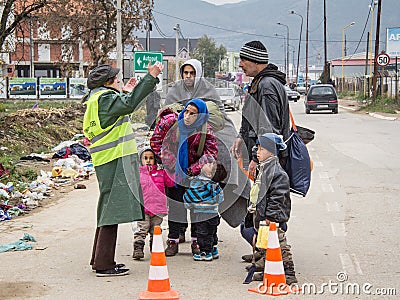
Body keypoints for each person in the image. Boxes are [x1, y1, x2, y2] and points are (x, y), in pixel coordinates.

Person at [83, 61, 163, 277]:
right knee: (112, 210)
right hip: (113, 159)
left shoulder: (97, 99)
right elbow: (128, 105)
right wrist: (151, 77)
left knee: (107, 207)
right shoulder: (105, 99)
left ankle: (99, 259)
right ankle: (104, 264)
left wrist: (126, 92)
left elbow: (124, 105)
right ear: (107, 83)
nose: (120, 81)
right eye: (116, 79)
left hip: (106, 160)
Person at [165, 58, 251, 232]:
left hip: (205, 142)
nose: (188, 76)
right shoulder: (175, 90)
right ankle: (177, 234)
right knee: (177, 192)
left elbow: (220, 115)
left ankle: (202, 236)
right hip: (180, 146)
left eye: (192, 73)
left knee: (204, 190)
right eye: (185, 73)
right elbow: (166, 115)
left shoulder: (208, 89)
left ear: (198, 74)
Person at [150, 98, 218, 256]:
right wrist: (171, 162)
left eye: (193, 114)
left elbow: (211, 152)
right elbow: (156, 142)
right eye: (186, 111)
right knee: (176, 206)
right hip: (174, 172)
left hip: (195, 174)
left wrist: (193, 169)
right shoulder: (169, 122)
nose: (187, 116)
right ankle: (173, 239)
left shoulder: (205, 130)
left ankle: (196, 241)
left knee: (197, 207)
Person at [246, 133, 297, 285]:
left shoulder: (277, 172)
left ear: (272, 151)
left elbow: (278, 197)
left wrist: (272, 216)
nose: (257, 152)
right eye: (257, 149)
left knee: (279, 244)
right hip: (261, 214)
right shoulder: (264, 167)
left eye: (261, 149)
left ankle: (289, 272)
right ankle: (268, 269)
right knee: (265, 244)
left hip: (272, 217)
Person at [132, 147, 175, 260]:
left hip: (158, 208)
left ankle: (155, 248)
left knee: (155, 230)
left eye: (151, 158)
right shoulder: (138, 175)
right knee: (142, 229)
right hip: (143, 208)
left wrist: (168, 169)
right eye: (145, 158)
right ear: (140, 160)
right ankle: (138, 248)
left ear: (155, 160)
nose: (148, 160)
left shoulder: (161, 173)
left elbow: (170, 183)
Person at [183, 156, 227, 261]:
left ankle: (205, 251)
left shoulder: (199, 182)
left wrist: (190, 205)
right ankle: (212, 248)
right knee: (211, 232)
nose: (211, 165)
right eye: (208, 163)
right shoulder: (214, 184)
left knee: (203, 233)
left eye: (212, 164)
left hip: (202, 212)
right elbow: (220, 198)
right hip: (212, 212)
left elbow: (190, 195)